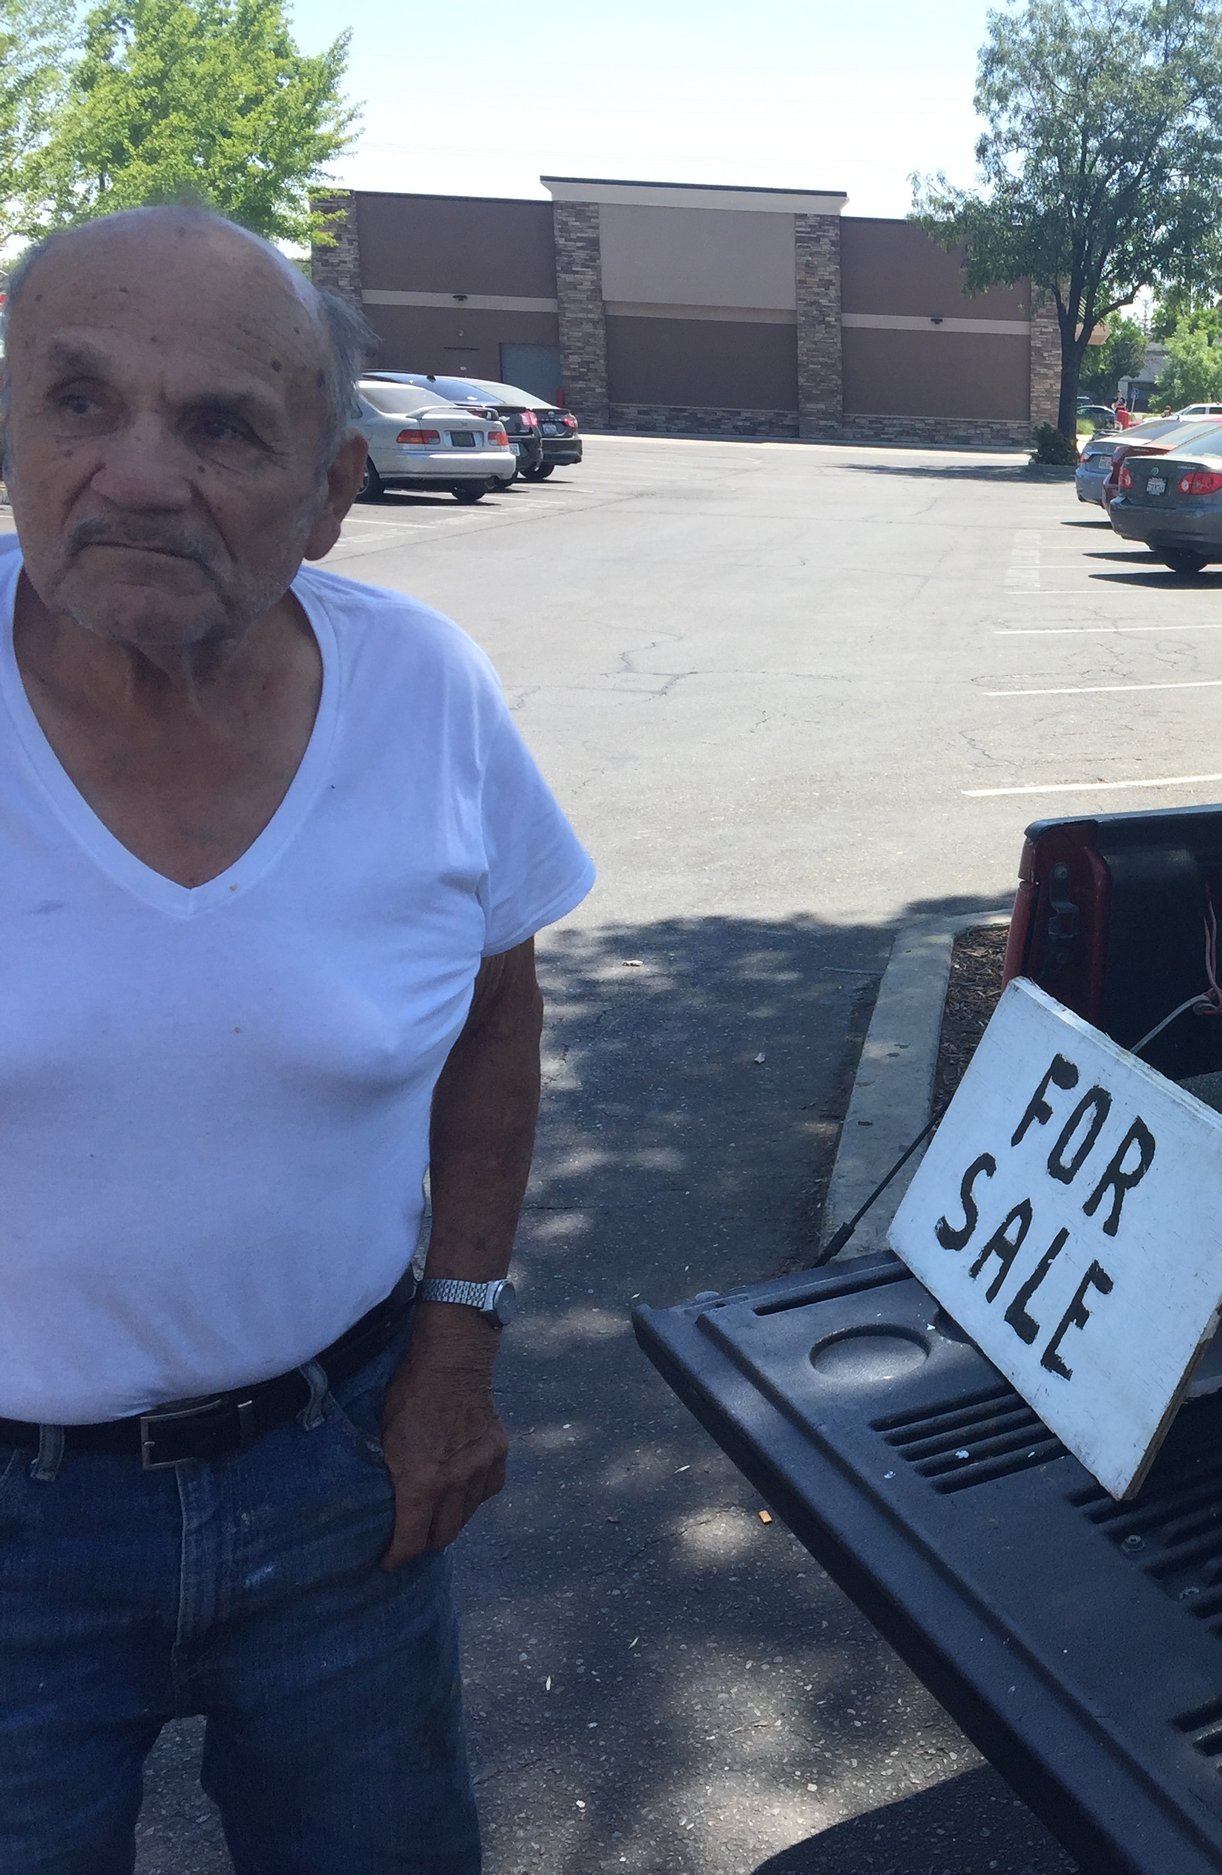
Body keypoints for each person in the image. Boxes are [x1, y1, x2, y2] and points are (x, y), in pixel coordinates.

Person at [0, 206, 594, 1869]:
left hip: (337, 1480)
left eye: (220, 428)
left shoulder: (426, 693)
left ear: (334, 494)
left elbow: (495, 1010)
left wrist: (459, 1352)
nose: (133, 476)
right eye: (78, 403)